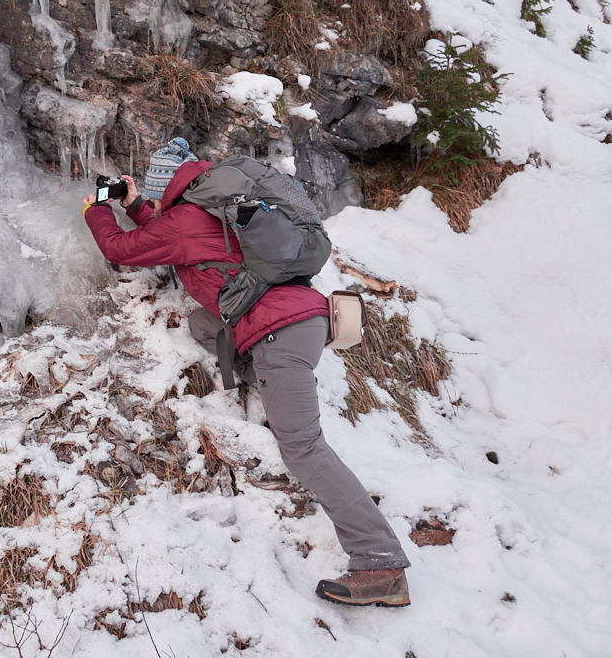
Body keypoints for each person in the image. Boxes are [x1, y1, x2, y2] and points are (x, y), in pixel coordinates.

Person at [82, 138, 412, 608]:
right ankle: (267, 381)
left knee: (302, 449)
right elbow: (175, 236)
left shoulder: (185, 220)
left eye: (154, 196)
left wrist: (95, 210)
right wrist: (136, 207)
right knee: (202, 324)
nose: (153, 203)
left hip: (280, 332)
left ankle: (381, 562)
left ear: (166, 189)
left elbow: (123, 248)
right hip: (297, 319)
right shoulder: (216, 207)